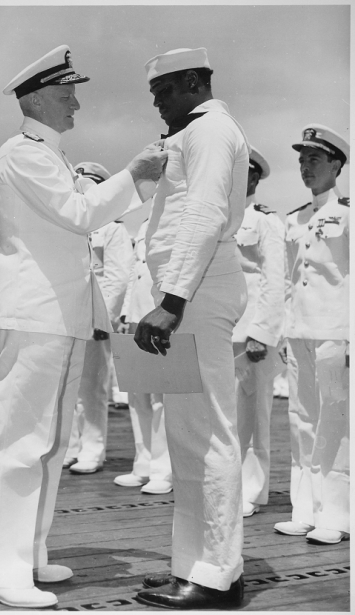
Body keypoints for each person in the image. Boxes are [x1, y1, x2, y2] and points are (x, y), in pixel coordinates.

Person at [0, 44, 167, 609]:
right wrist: (134, 172)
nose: (76, 103)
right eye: (65, 94)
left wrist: (138, 183)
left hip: (60, 318)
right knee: (19, 442)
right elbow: (82, 215)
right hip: (35, 316)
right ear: (36, 99)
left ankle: (26, 555)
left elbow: (92, 212)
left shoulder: (50, 157)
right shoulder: (24, 154)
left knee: (49, 443)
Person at [133, 47, 249, 610]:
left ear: (192, 82)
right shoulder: (196, 131)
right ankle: (196, 565)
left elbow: (202, 212)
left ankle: (215, 575)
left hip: (196, 293)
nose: (157, 105)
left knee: (208, 433)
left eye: (163, 92)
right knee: (187, 435)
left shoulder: (210, 131)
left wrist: (172, 300)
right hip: (187, 292)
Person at [274, 124, 349, 545]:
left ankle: (336, 516)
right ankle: (304, 509)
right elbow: (289, 281)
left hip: (335, 332)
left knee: (336, 423)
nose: (306, 168)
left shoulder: (349, 213)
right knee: (302, 420)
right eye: (302, 161)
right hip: (301, 331)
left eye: (315, 160)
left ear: (336, 165)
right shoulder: (296, 218)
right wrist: (286, 331)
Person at [64, 161, 134, 474]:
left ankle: (92, 449)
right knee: (70, 386)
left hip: (95, 319)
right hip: (70, 317)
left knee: (92, 387)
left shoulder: (114, 229)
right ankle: (73, 445)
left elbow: (118, 277)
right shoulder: (70, 228)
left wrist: (103, 318)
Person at [233, 147, 285, 517]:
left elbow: (274, 280)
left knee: (253, 412)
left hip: (251, 331)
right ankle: (229, 485)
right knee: (227, 414)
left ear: (254, 178)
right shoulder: (220, 217)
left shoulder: (264, 221)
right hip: (222, 329)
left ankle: (252, 490)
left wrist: (261, 333)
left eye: (242, 173)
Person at [114, 216, 172, 494]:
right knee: (137, 396)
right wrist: (125, 313)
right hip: (136, 315)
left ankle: (162, 470)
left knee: (161, 397)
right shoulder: (145, 222)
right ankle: (143, 464)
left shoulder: (176, 215)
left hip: (158, 312)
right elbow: (134, 272)